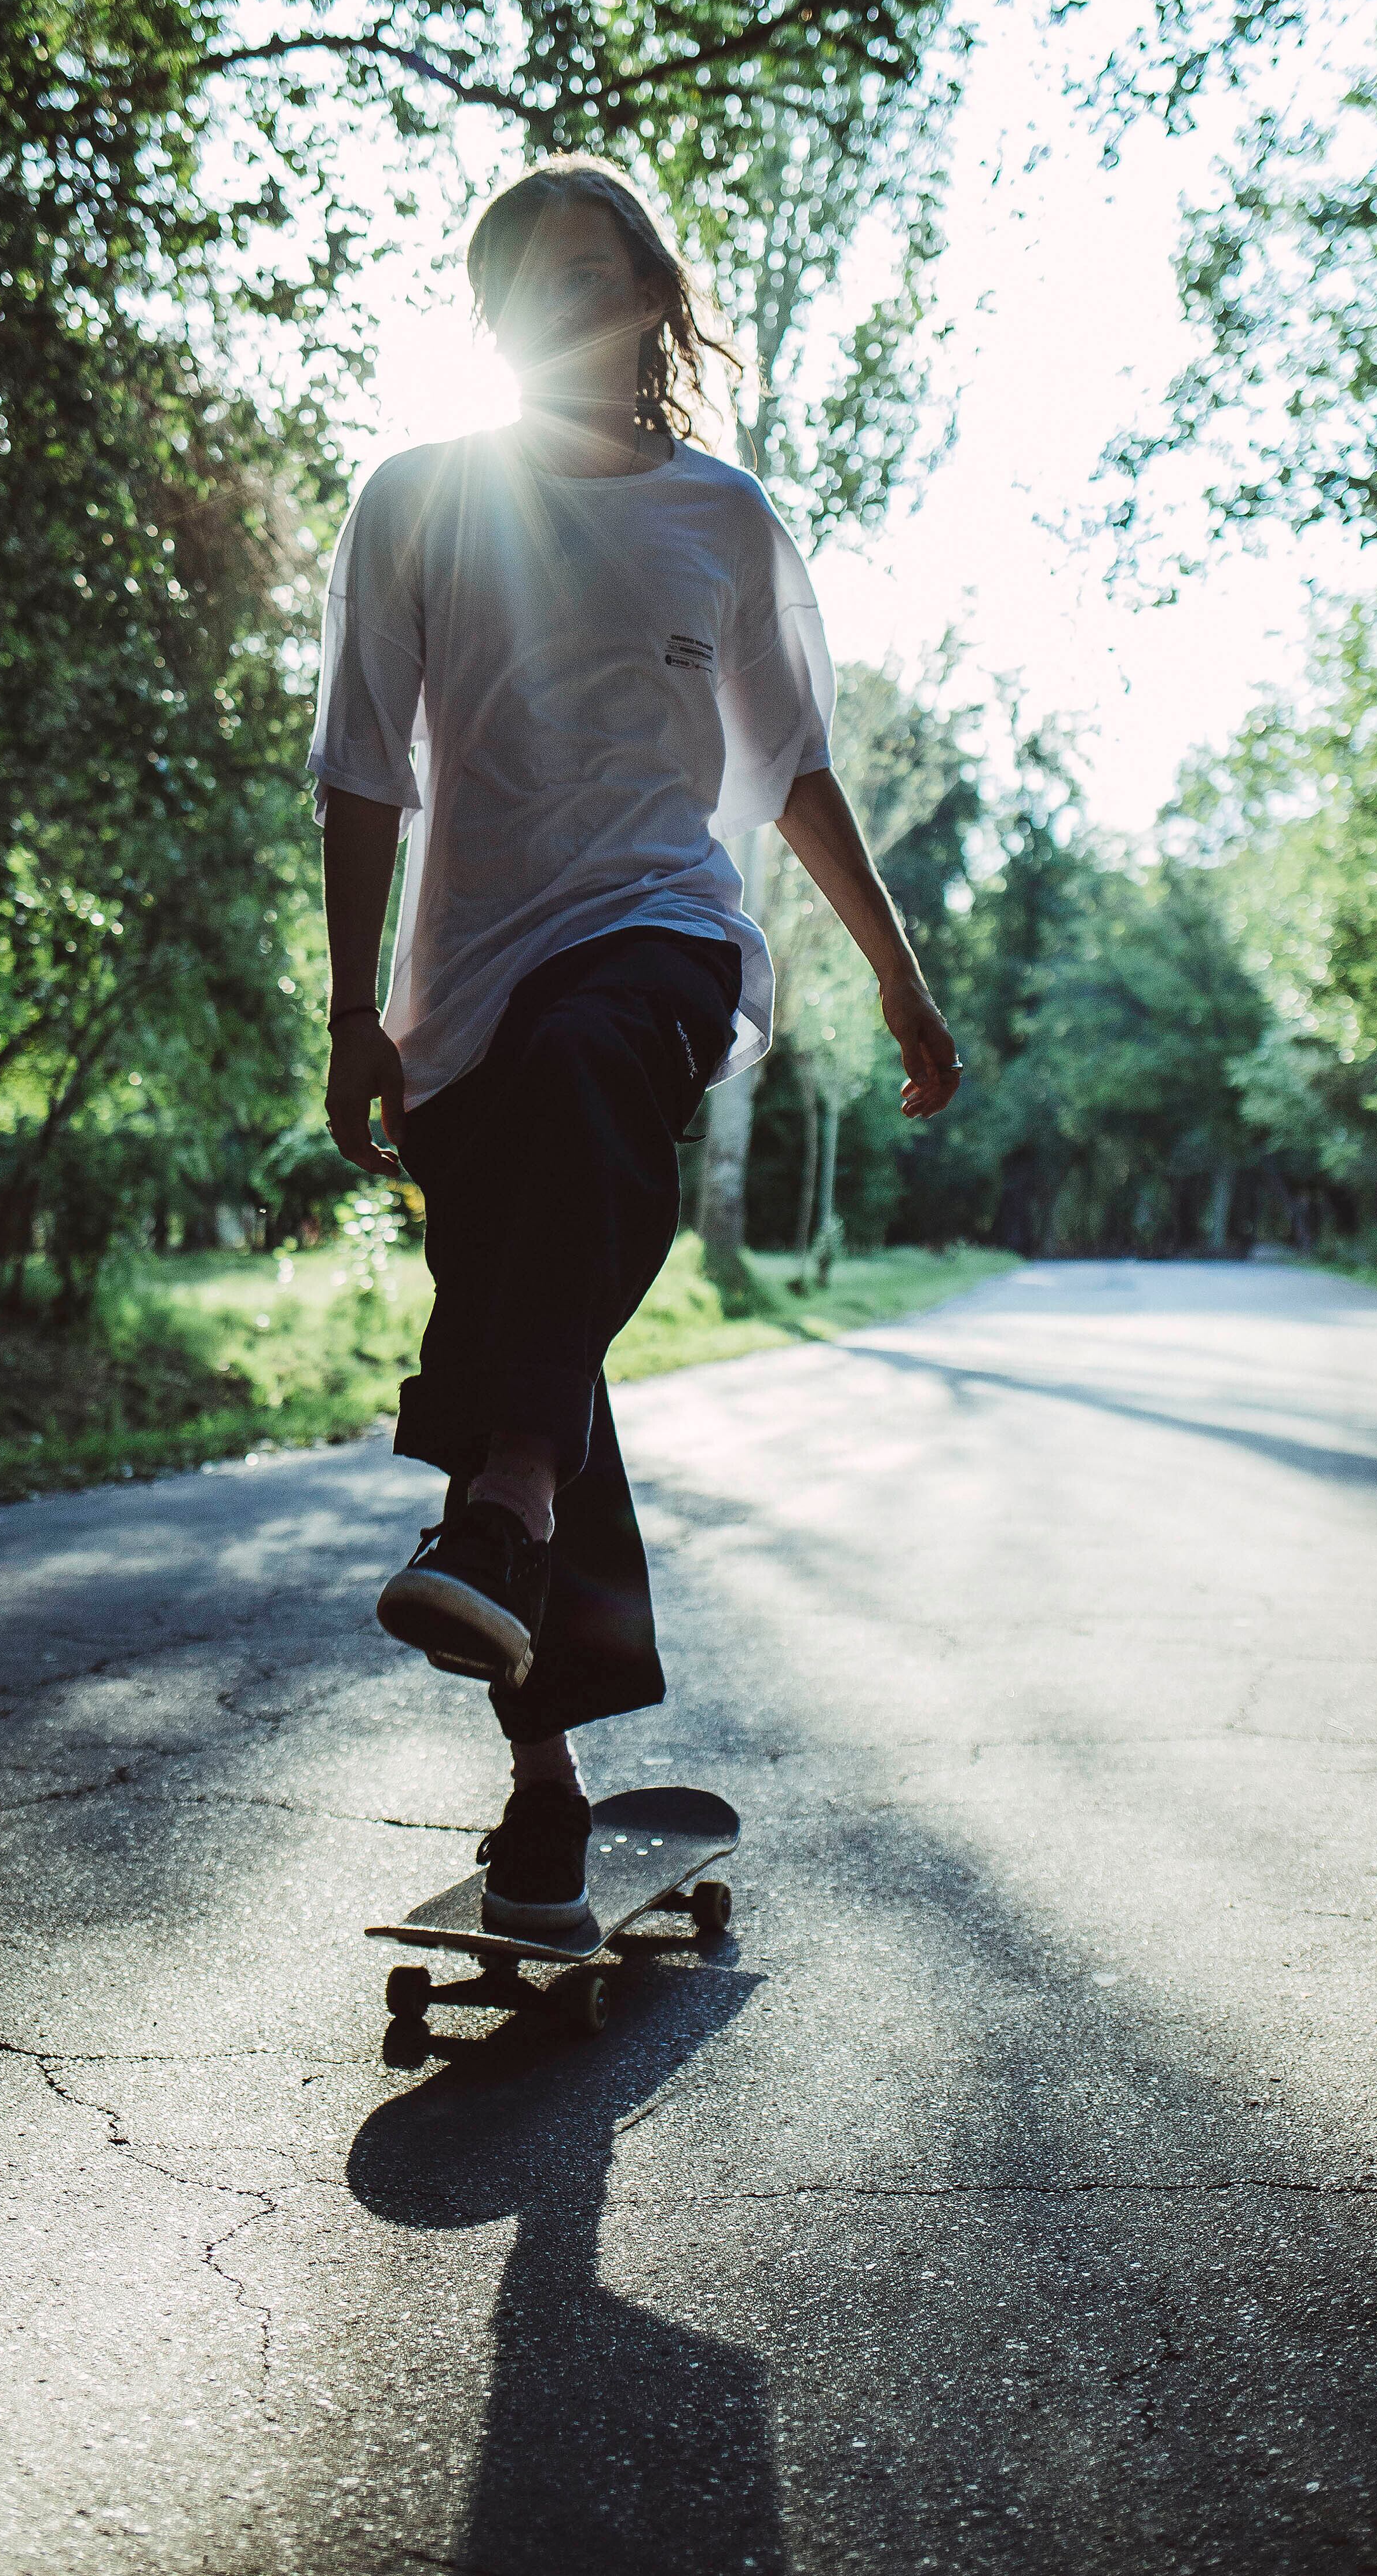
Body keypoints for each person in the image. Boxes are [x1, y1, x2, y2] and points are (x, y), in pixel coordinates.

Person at [309, 155, 962, 1934]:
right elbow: (363, 763)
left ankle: (497, 1499)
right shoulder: (420, 500)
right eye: (530, 286)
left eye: (599, 276)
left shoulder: (725, 520)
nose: (568, 310)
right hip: (461, 1004)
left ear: (659, 299)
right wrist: (352, 1007)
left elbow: (798, 768)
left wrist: (897, 978)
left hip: (662, 941)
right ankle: (544, 1785)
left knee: (603, 1078)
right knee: (541, 1344)